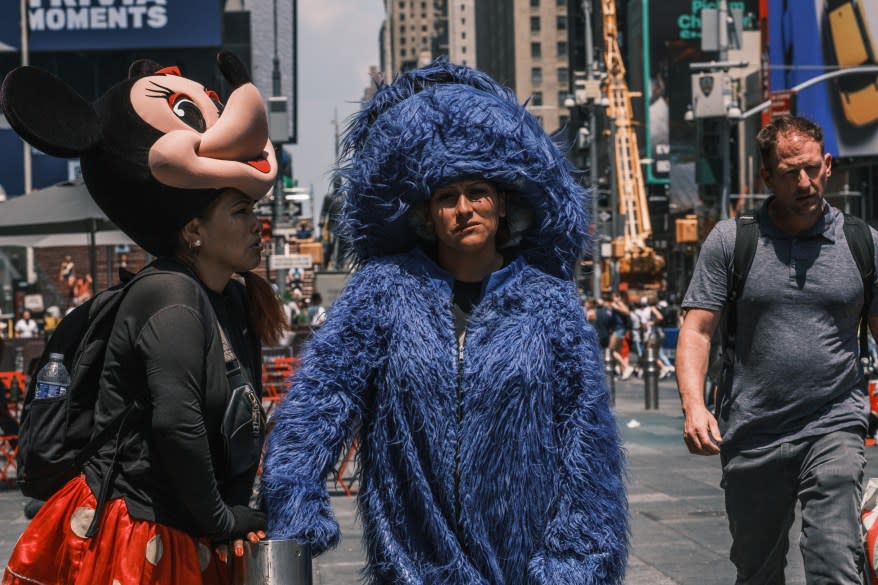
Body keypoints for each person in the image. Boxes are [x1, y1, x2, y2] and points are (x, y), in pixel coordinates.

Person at [260, 60, 627, 584]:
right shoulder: (382, 291)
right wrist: (295, 493)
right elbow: (323, 396)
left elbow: (585, 439)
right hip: (413, 561)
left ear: (503, 204)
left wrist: (576, 560)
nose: (464, 209)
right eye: (446, 197)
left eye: (477, 192)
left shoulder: (549, 303)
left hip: (519, 567)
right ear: (425, 213)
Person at [1, 52, 285, 584]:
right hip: (146, 545)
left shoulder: (228, 298)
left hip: (189, 537)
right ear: (194, 230)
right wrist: (223, 518)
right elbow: (176, 425)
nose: (258, 227)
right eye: (241, 213)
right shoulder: (168, 295)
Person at [676, 114, 878, 585]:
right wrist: (693, 406)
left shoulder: (861, 243)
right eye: (790, 173)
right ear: (767, 177)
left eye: (812, 168)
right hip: (752, 433)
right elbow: (698, 330)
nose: (804, 182)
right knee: (758, 571)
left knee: (834, 561)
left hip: (834, 424)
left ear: (828, 164)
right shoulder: (733, 240)